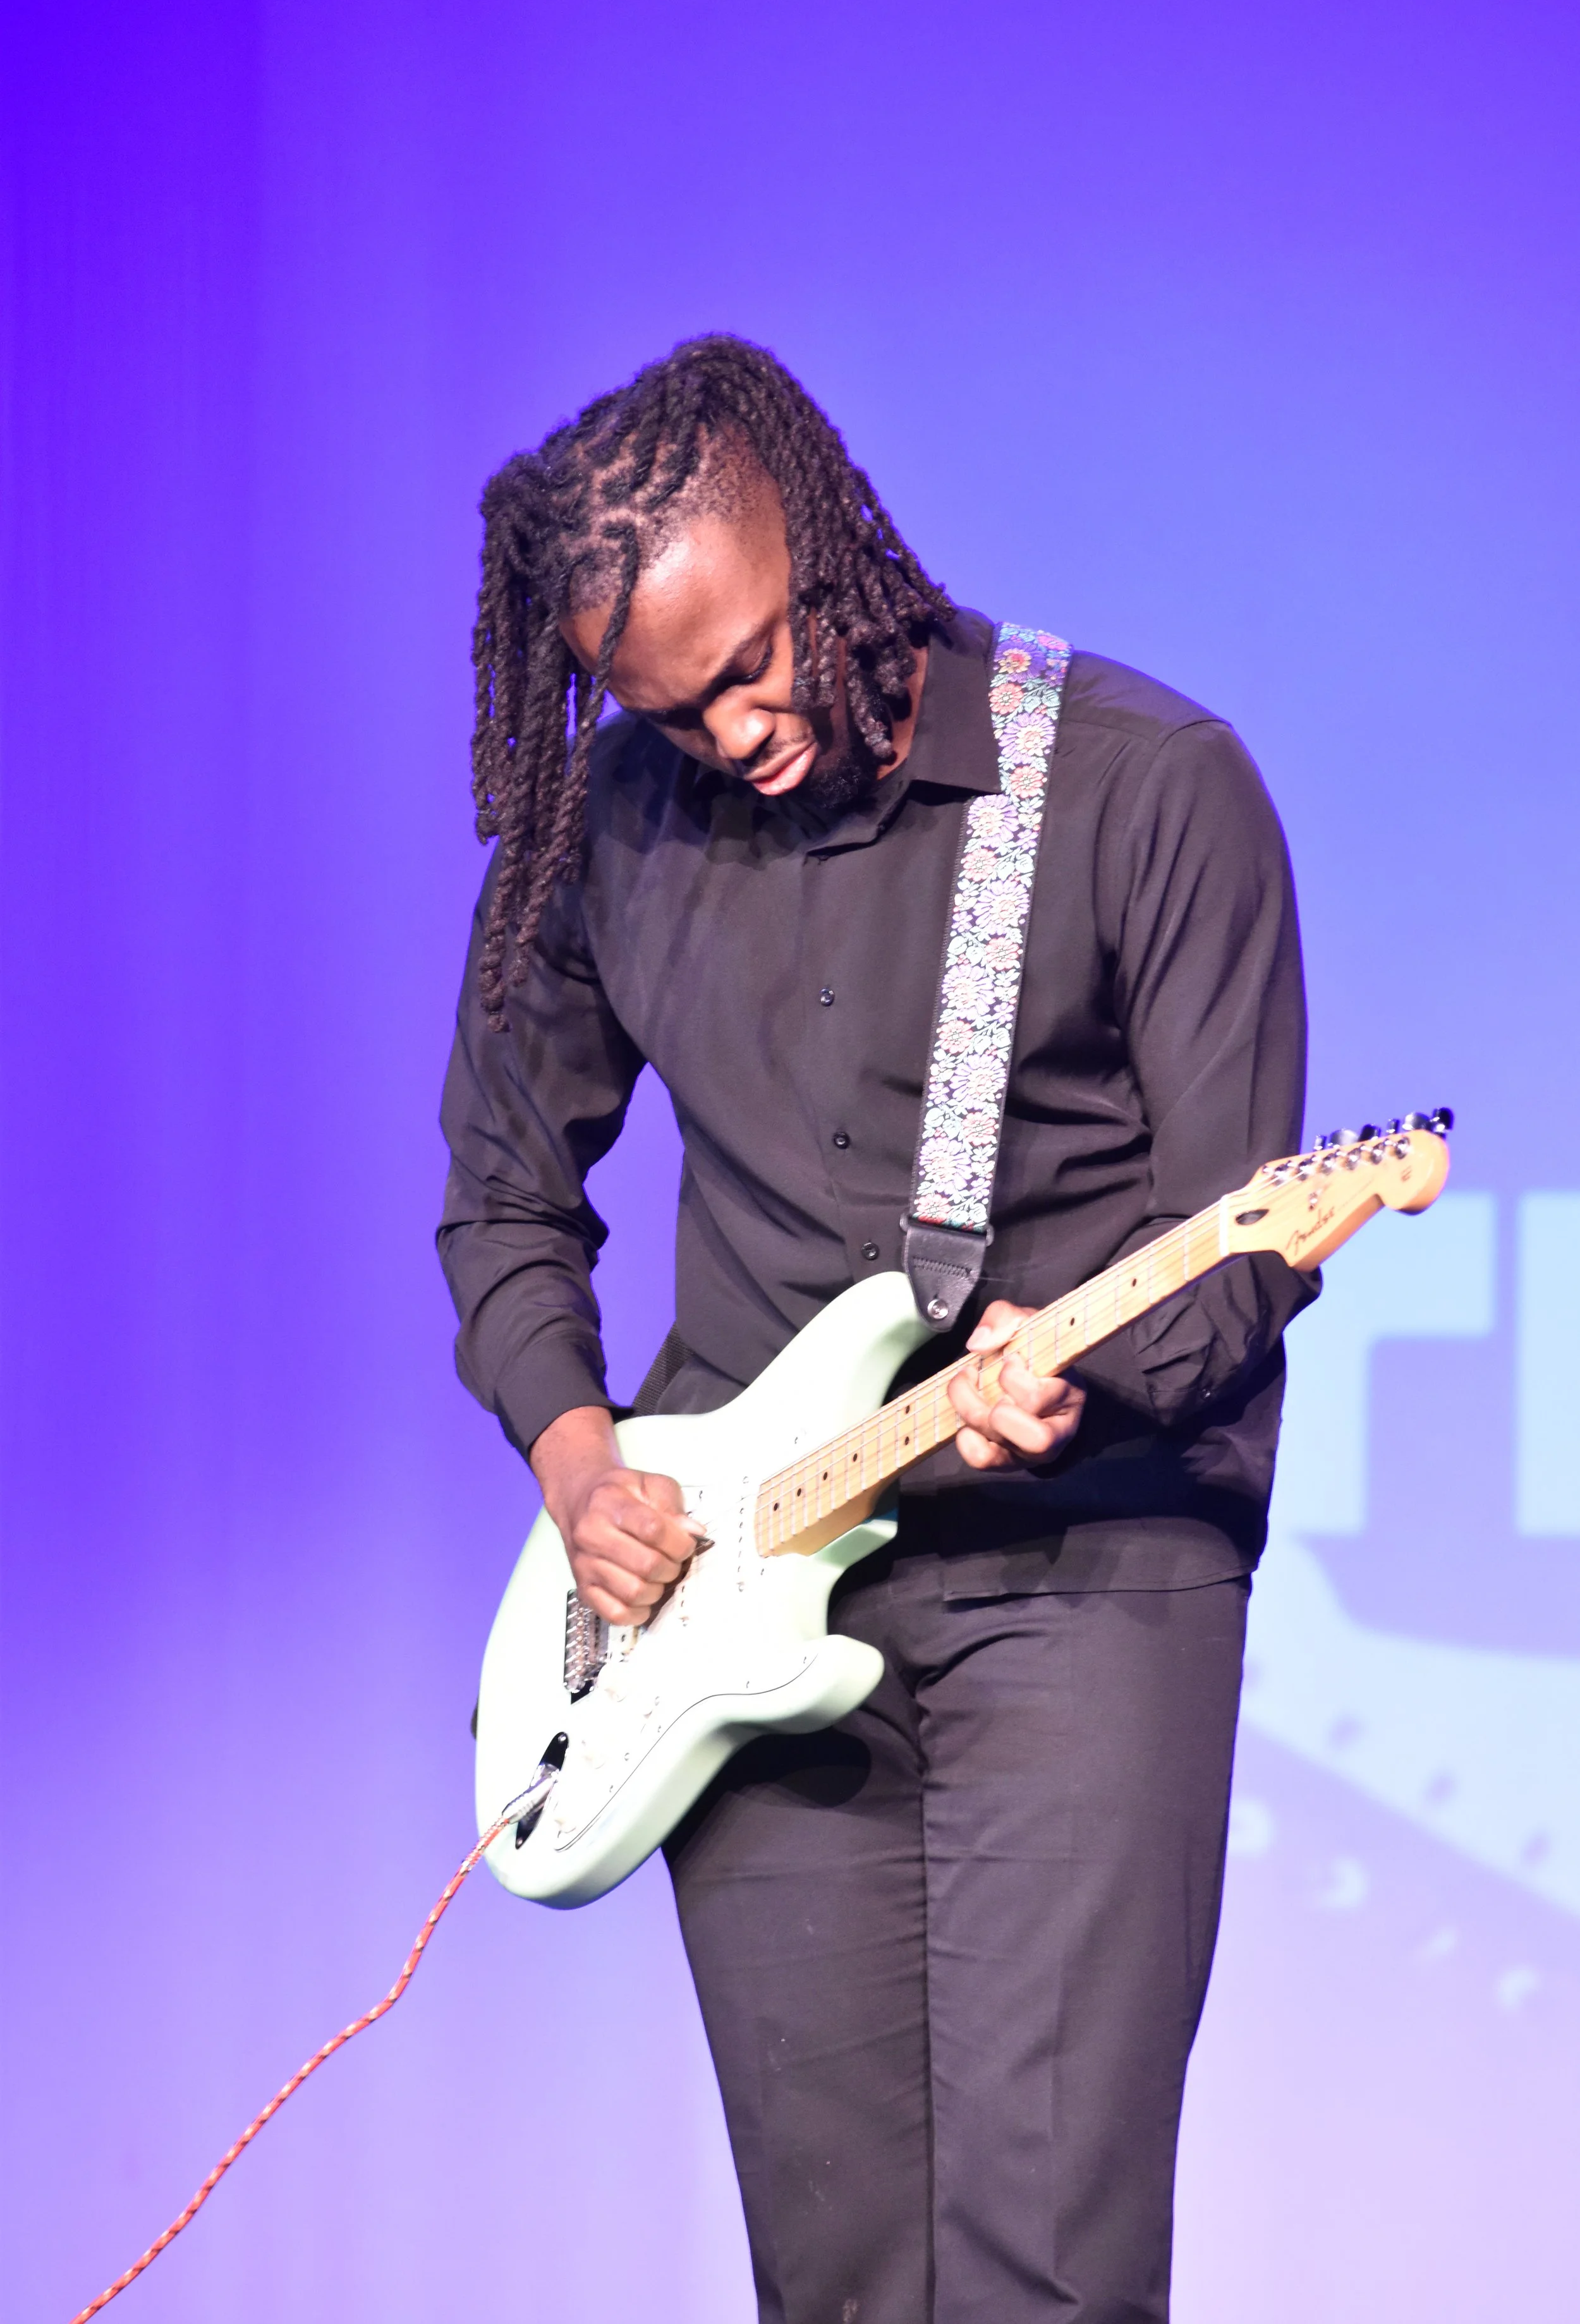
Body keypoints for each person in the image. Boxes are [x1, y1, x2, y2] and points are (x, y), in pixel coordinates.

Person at [438, 335, 1315, 2324]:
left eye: (750, 664)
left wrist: (1069, 1371)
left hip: (1082, 1572)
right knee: (832, 2274)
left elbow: (1243, 1243)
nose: (730, 730)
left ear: (832, 546)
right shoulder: (606, 835)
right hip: (735, 1595)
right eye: (666, 711)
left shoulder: (1134, 783)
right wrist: (584, 1467)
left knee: (1043, 2265)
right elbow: (503, 1196)